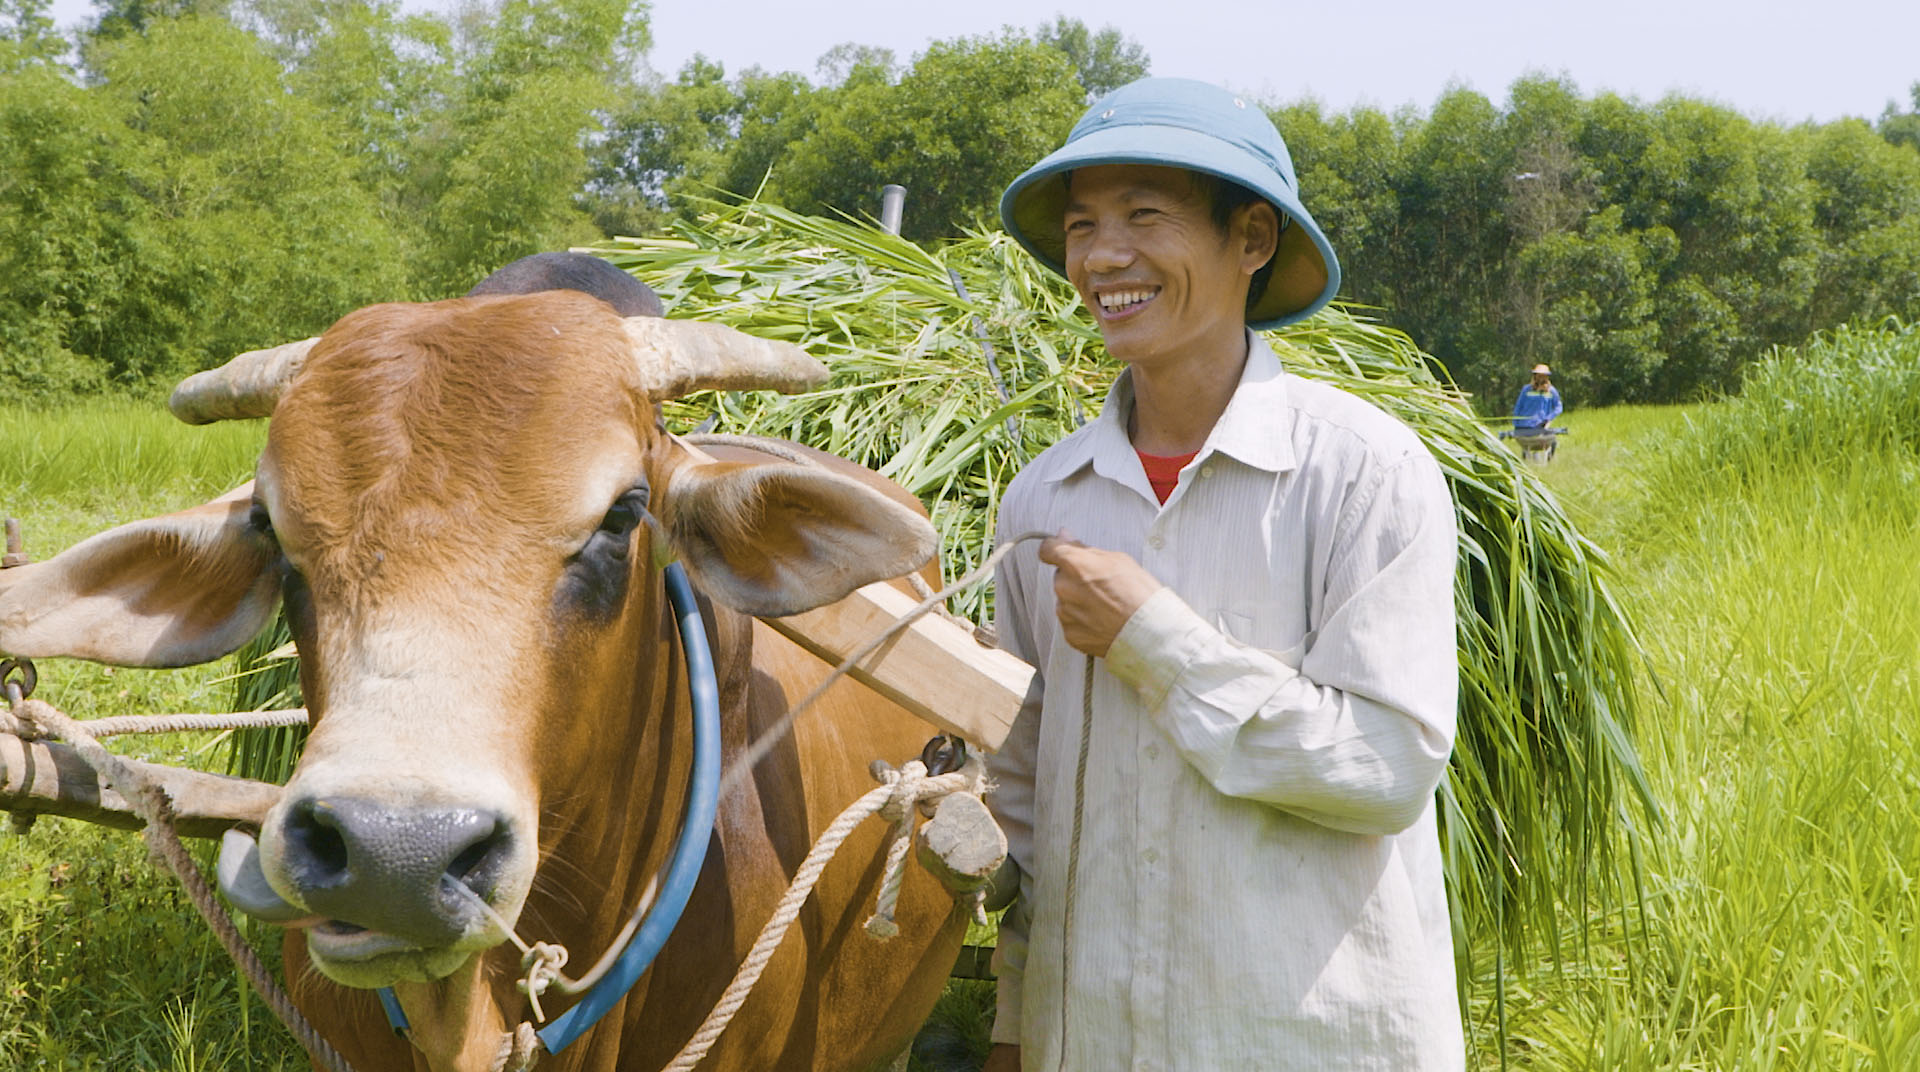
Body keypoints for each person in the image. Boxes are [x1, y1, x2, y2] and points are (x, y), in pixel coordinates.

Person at [984, 78, 1464, 1071]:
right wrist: (1014, 1024)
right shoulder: (1042, 504)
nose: (1103, 256)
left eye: (1142, 215)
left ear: (1251, 240)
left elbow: (1385, 766)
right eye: (1082, 226)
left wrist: (1155, 639)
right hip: (1094, 1040)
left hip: (1305, 1040)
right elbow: (1023, 795)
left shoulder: (1362, 472)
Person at [1511, 363, 1562, 432]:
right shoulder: (1526, 389)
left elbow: (1558, 408)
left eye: (1543, 376)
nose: (1541, 378)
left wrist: (1548, 418)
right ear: (1535, 376)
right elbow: (1518, 406)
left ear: (1547, 377)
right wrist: (1515, 422)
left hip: (1540, 425)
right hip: (1523, 425)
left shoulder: (1551, 391)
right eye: (1539, 375)